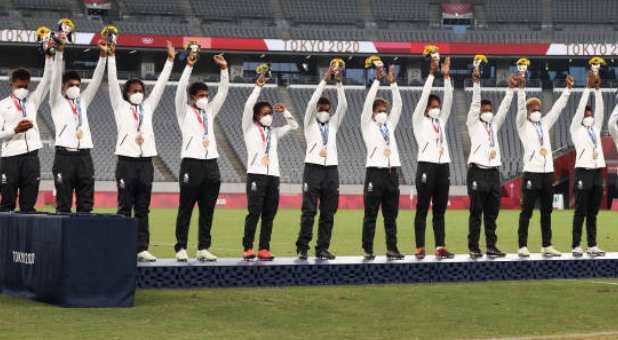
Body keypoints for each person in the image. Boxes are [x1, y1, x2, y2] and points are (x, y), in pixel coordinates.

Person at [107, 41, 175, 262]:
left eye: (141, 91)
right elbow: (111, 81)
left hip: (146, 162)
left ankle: (141, 248)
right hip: (126, 162)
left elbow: (161, 85)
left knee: (143, 208)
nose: (138, 93)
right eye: (134, 90)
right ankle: (121, 246)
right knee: (124, 207)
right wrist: (111, 56)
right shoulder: (119, 106)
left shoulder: (148, 107)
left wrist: (170, 61)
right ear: (126, 92)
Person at [173, 53, 229, 262]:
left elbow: (223, 92)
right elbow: (179, 91)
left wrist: (224, 69)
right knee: (186, 208)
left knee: (208, 210)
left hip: (211, 164)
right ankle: (181, 247)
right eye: (201, 95)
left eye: (206, 94)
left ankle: (203, 248)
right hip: (191, 163)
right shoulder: (184, 111)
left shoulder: (210, 111)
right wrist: (188, 66)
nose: (205, 98)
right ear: (193, 98)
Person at [241, 73, 298, 261]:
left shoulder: (274, 132)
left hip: (273, 176)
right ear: (257, 116)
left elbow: (294, 126)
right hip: (256, 175)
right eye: (265, 113)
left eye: (270, 113)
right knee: (254, 213)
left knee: (269, 215)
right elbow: (249, 106)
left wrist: (285, 112)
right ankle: (248, 247)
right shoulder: (249, 128)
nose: (268, 116)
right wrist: (258, 87)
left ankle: (264, 248)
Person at [516, 74, 574, 258]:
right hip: (532, 173)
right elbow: (519, 109)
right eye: (533, 108)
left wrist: (568, 90)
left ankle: (547, 244)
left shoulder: (544, 123)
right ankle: (522, 245)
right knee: (527, 211)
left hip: (547, 173)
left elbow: (557, 109)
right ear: (527, 110)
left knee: (547, 211)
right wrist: (521, 89)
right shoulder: (522, 125)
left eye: (539, 108)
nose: (537, 111)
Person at [295, 65, 347, 261]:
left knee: (329, 212)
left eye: (327, 109)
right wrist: (325, 80)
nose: (324, 111)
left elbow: (343, 106)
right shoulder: (309, 123)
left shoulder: (333, 124)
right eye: (321, 108)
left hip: (331, 170)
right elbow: (309, 104)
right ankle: (302, 247)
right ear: (317, 110)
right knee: (309, 210)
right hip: (313, 168)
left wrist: (339, 82)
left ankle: (322, 247)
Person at [49, 39, 106, 213]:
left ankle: (83, 239)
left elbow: (96, 81)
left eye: (77, 85)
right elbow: (55, 78)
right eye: (71, 85)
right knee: (63, 203)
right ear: (63, 87)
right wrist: (59, 53)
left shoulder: (82, 101)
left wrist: (103, 56)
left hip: (84, 157)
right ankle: (63, 240)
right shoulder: (56, 101)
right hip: (64, 156)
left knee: (86, 203)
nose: (75, 88)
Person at [465, 68, 516, 259]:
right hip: (477, 172)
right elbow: (475, 105)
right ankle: (473, 247)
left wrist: (510, 90)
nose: (487, 112)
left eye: (489, 110)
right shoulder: (473, 123)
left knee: (492, 214)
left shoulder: (493, 125)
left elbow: (503, 108)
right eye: (484, 111)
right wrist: (477, 84)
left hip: (494, 173)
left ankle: (491, 246)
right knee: (476, 213)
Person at [412, 57, 454, 260]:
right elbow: (423, 99)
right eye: (434, 105)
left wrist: (446, 77)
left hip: (443, 166)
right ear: (427, 108)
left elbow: (450, 100)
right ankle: (420, 247)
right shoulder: (418, 121)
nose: (438, 108)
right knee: (422, 209)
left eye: (438, 105)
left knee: (439, 211)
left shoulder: (441, 121)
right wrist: (431, 74)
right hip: (426, 166)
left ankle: (440, 246)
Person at [360, 64, 404, 261]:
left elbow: (399, 105)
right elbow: (369, 101)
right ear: (372, 112)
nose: (383, 112)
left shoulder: (390, 125)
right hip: (375, 173)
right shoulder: (367, 124)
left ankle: (392, 248)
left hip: (392, 173)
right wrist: (377, 80)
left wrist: (393, 83)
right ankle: (368, 249)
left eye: (384, 110)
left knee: (391, 216)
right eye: (379, 110)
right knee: (371, 215)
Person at [0, 54, 52, 212]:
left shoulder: (32, 101)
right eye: (19, 86)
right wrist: (15, 130)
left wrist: (49, 56)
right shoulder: (2, 105)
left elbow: (47, 80)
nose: (23, 90)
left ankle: (27, 236)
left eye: (25, 87)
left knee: (28, 204)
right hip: (10, 157)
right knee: (7, 203)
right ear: (12, 84)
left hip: (31, 157)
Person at [570, 71, 605, 257]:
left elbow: (600, 110)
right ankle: (576, 245)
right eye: (587, 114)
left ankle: (592, 245)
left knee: (593, 212)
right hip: (583, 171)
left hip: (597, 171)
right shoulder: (576, 129)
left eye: (591, 114)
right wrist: (587, 88)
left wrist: (598, 90)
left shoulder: (596, 128)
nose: (590, 116)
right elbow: (579, 110)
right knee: (580, 210)